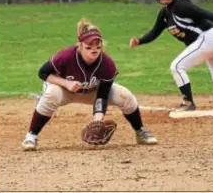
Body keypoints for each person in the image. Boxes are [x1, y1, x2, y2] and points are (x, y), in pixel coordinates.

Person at [21, 18, 157, 151]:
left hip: (93, 92)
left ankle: (140, 132)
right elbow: (43, 73)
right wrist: (66, 83)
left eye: (98, 47)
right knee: (51, 94)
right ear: (79, 46)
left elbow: (102, 96)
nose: (94, 50)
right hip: (64, 90)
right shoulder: (65, 56)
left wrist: (97, 120)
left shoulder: (107, 64)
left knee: (125, 96)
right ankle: (31, 137)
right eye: (89, 47)